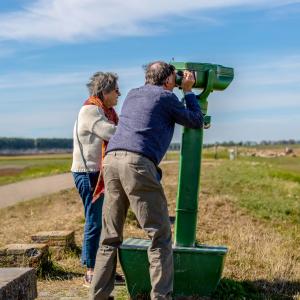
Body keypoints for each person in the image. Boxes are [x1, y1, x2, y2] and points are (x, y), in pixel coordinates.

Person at [90, 61, 203, 300]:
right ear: (169, 80)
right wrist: (190, 90)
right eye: (176, 76)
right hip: (137, 164)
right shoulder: (166, 97)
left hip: (111, 161)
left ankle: (98, 296)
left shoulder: (132, 94)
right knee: (159, 236)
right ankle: (161, 296)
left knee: (109, 237)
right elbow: (195, 119)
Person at [71, 71, 120, 287]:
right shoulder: (90, 110)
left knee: (104, 221)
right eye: (116, 89)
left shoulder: (104, 111)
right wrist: (138, 133)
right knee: (94, 221)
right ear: (105, 91)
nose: (119, 93)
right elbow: (111, 133)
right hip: (89, 174)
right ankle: (91, 270)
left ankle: (104, 269)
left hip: (97, 173)